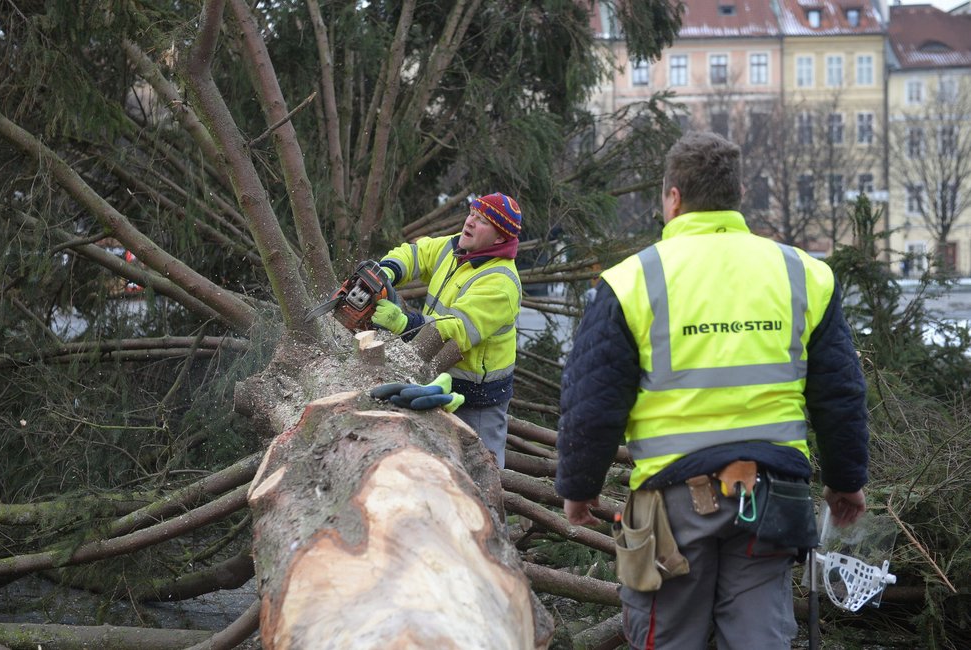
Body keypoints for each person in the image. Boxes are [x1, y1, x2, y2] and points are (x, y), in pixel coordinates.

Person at [554, 131, 869, 649]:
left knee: (670, 636)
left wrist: (579, 488)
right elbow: (839, 392)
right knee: (758, 636)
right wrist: (845, 480)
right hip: (773, 497)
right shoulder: (802, 274)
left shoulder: (633, 280)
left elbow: (592, 403)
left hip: (673, 504)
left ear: (673, 197)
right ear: (739, 195)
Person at [372, 192, 523, 468]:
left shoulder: (501, 283)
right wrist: (387, 272)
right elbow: (417, 253)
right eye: (473, 214)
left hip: (478, 399)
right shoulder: (457, 248)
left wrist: (404, 324)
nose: (471, 222)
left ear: (500, 238)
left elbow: (456, 331)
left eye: (483, 221)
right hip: (438, 376)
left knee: (480, 468)